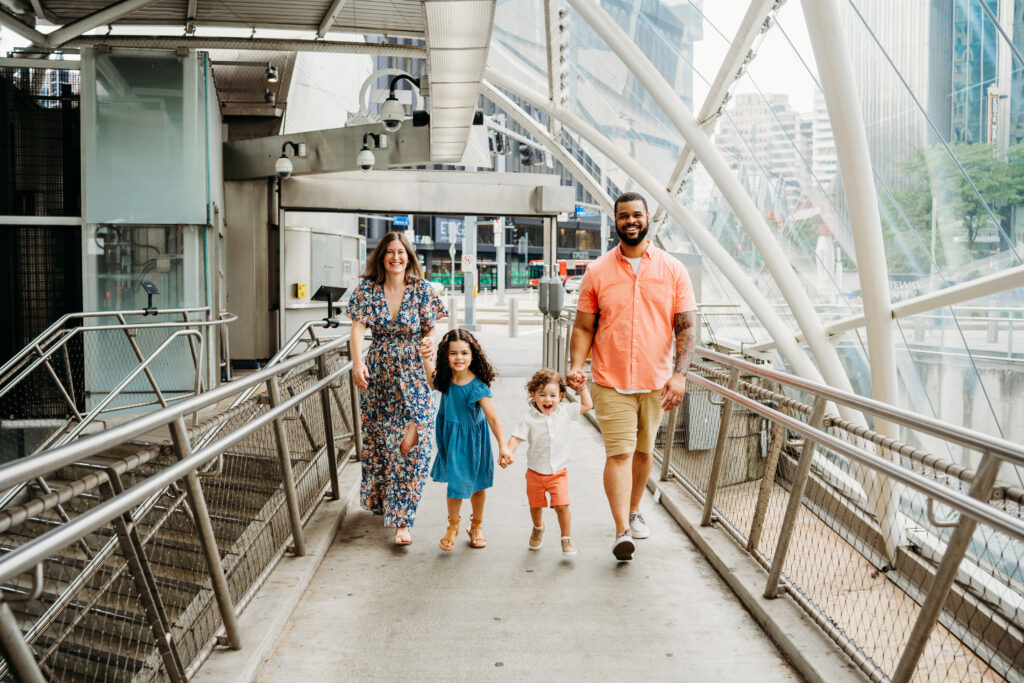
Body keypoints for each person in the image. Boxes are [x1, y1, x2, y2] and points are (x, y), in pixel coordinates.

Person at [567, 192, 697, 561]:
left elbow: (686, 327)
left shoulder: (673, 269)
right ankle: (621, 529)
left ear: (648, 218)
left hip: (657, 381)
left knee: (643, 452)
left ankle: (635, 509)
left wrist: (680, 375)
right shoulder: (597, 271)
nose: (630, 221)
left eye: (636, 215)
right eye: (623, 216)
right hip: (611, 380)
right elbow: (582, 327)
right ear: (615, 220)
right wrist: (577, 366)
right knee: (620, 453)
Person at [346, 232, 447, 546]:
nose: (395, 257)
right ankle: (383, 502)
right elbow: (358, 328)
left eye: (401, 252)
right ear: (381, 257)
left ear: (409, 256)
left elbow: (433, 325)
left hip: (416, 373)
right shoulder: (367, 289)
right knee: (381, 442)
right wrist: (356, 362)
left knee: (413, 445)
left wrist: (431, 339)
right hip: (379, 376)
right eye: (389, 252)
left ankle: (403, 520)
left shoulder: (421, 289)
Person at [424, 328, 512, 551]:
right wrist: (426, 359)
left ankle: (477, 526)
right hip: (452, 440)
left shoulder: (477, 386)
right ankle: (453, 525)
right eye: (453, 353)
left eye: (464, 353)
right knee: (455, 485)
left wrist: (503, 446)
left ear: (473, 355)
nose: (459, 358)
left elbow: (494, 420)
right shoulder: (446, 378)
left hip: (473, 443)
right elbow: (432, 382)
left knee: (477, 486)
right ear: (446, 355)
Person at [506, 369, 592, 557]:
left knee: (562, 506)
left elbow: (587, 404)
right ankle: (538, 527)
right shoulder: (529, 418)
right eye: (542, 395)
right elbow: (516, 437)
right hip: (535, 471)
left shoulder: (566, 412)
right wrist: (507, 452)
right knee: (536, 505)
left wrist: (583, 388)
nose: (548, 400)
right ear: (533, 395)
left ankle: (566, 539)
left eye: (553, 395)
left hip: (558, 472)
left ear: (561, 396)